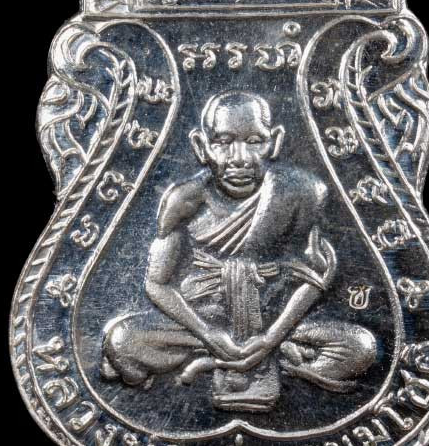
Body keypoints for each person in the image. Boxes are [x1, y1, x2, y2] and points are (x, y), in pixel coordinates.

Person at [102, 90, 376, 411]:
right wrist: (209, 334)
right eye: (222, 142)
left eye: (254, 141)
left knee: (360, 348)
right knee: (123, 341)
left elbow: (314, 276)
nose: (240, 158)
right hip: (202, 323)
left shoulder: (302, 193)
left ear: (274, 142)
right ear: (201, 147)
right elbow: (157, 283)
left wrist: (271, 338)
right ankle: (268, 360)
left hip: (277, 322)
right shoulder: (184, 200)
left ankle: (242, 358)